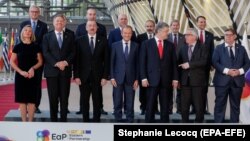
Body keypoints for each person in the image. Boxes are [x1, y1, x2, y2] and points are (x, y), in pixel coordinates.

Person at [140, 22, 178, 123]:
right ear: (159, 31)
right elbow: (142, 62)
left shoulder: (170, 45)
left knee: (165, 106)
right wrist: (143, 78)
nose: (168, 33)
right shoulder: (146, 44)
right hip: (151, 80)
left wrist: (175, 78)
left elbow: (174, 63)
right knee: (150, 105)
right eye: (166, 31)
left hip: (166, 81)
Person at [74, 21, 109, 122]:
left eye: (94, 26)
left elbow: (106, 60)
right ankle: (85, 120)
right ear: (86, 28)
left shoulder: (103, 40)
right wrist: (76, 76)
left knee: (97, 100)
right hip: (83, 76)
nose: (92, 27)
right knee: (84, 100)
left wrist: (105, 76)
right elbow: (77, 60)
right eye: (89, 25)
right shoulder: (79, 40)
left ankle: (96, 120)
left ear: (97, 28)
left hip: (98, 76)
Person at [212, 28, 250, 123]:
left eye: (229, 34)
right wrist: (227, 71)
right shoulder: (218, 48)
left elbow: (247, 63)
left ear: (234, 36)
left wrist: (239, 71)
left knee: (235, 106)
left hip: (237, 82)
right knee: (220, 106)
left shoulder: (241, 48)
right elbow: (215, 62)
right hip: (221, 82)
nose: (227, 37)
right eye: (225, 35)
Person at [42, 14, 75, 122]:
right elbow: (45, 53)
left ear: (65, 22)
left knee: (64, 98)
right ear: (53, 23)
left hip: (65, 71)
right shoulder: (47, 36)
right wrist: (56, 63)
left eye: (61, 21)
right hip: (52, 72)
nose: (59, 23)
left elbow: (73, 52)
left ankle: (63, 120)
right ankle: (53, 120)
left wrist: (65, 62)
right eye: (57, 21)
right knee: (53, 98)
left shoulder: (70, 35)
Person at [10, 25, 43, 121]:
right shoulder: (17, 46)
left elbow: (40, 62)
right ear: (22, 33)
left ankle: (30, 122)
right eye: (26, 30)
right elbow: (12, 62)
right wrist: (20, 72)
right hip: (21, 76)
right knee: (22, 100)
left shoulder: (36, 46)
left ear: (32, 33)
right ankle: (24, 123)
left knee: (32, 100)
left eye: (30, 31)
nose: (28, 32)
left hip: (33, 75)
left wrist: (32, 68)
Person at [19, 5, 48, 114]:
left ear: (39, 13)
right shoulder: (23, 24)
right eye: (32, 11)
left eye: (36, 12)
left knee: (36, 84)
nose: (34, 13)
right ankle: (25, 106)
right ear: (29, 12)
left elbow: (44, 43)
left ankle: (36, 106)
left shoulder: (44, 26)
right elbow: (20, 40)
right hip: (25, 59)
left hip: (37, 60)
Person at [108, 13, 137, 114]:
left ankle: (129, 118)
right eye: (125, 33)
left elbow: (138, 64)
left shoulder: (136, 46)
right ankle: (118, 117)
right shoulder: (115, 46)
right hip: (117, 77)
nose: (127, 35)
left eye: (129, 33)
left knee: (130, 100)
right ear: (122, 34)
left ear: (131, 34)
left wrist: (137, 79)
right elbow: (111, 62)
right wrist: (111, 77)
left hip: (131, 78)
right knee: (117, 99)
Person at [178, 28, 209, 123]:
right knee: (184, 106)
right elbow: (178, 63)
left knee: (199, 106)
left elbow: (204, 62)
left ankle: (198, 123)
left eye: (188, 35)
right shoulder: (183, 48)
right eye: (185, 35)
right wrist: (178, 80)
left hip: (198, 81)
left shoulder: (203, 47)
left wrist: (189, 65)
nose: (185, 37)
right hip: (185, 81)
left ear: (194, 37)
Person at [190, 16, 214, 115]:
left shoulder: (210, 35)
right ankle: (194, 109)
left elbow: (212, 50)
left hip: (206, 66)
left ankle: (202, 109)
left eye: (204, 22)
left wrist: (212, 64)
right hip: (194, 66)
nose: (202, 24)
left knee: (204, 88)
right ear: (197, 23)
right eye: (200, 22)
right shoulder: (191, 34)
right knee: (193, 88)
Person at [137, 20, 159, 115]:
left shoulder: (157, 37)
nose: (149, 28)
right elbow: (138, 53)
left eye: (151, 26)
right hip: (144, 68)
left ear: (154, 27)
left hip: (155, 69)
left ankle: (155, 108)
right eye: (147, 26)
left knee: (155, 90)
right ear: (145, 27)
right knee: (143, 90)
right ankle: (143, 108)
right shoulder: (140, 37)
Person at [167, 19, 185, 114]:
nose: (175, 27)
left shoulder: (184, 37)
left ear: (179, 26)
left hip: (181, 68)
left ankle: (180, 109)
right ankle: (169, 109)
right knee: (169, 90)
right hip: (169, 68)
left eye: (177, 25)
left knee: (180, 90)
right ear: (171, 26)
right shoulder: (166, 37)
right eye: (173, 25)